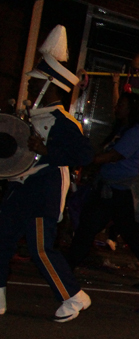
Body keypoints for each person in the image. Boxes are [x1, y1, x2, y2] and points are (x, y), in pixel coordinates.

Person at [0, 25, 94, 322]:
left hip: (44, 188)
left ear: (49, 87)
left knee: (41, 249)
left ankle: (74, 296)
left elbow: (84, 156)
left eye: (34, 84)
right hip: (20, 188)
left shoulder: (64, 122)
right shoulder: (29, 116)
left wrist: (46, 148)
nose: (28, 88)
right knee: (1, 240)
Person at [66, 93, 139, 290]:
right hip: (111, 189)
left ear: (131, 108)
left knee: (125, 234)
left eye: (121, 104)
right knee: (91, 228)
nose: (117, 107)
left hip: (121, 192)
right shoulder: (125, 129)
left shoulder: (135, 132)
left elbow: (115, 155)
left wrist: (89, 159)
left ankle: (66, 268)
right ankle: (66, 267)